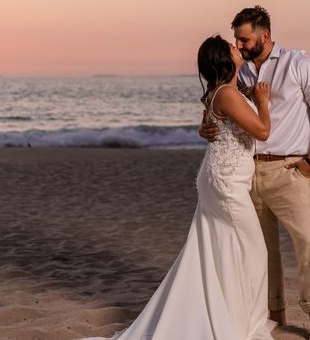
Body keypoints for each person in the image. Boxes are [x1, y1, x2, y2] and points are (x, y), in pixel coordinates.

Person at [84, 35, 275, 340]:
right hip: (226, 184)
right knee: (254, 251)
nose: (237, 48)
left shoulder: (220, 92)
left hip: (218, 178)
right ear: (224, 60)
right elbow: (263, 131)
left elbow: (209, 126)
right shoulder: (227, 93)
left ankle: (231, 317)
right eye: (231, 47)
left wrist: (206, 127)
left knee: (221, 249)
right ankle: (249, 328)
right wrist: (264, 102)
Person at [200, 6, 310, 340]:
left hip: (290, 169)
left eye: (244, 39)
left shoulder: (298, 65)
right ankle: (275, 314)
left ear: (264, 35)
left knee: (306, 245)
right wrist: (205, 127)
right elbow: (218, 106)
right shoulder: (240, 72)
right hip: (247, 175)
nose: (240, 45)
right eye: (237, 40)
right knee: (263, 251)